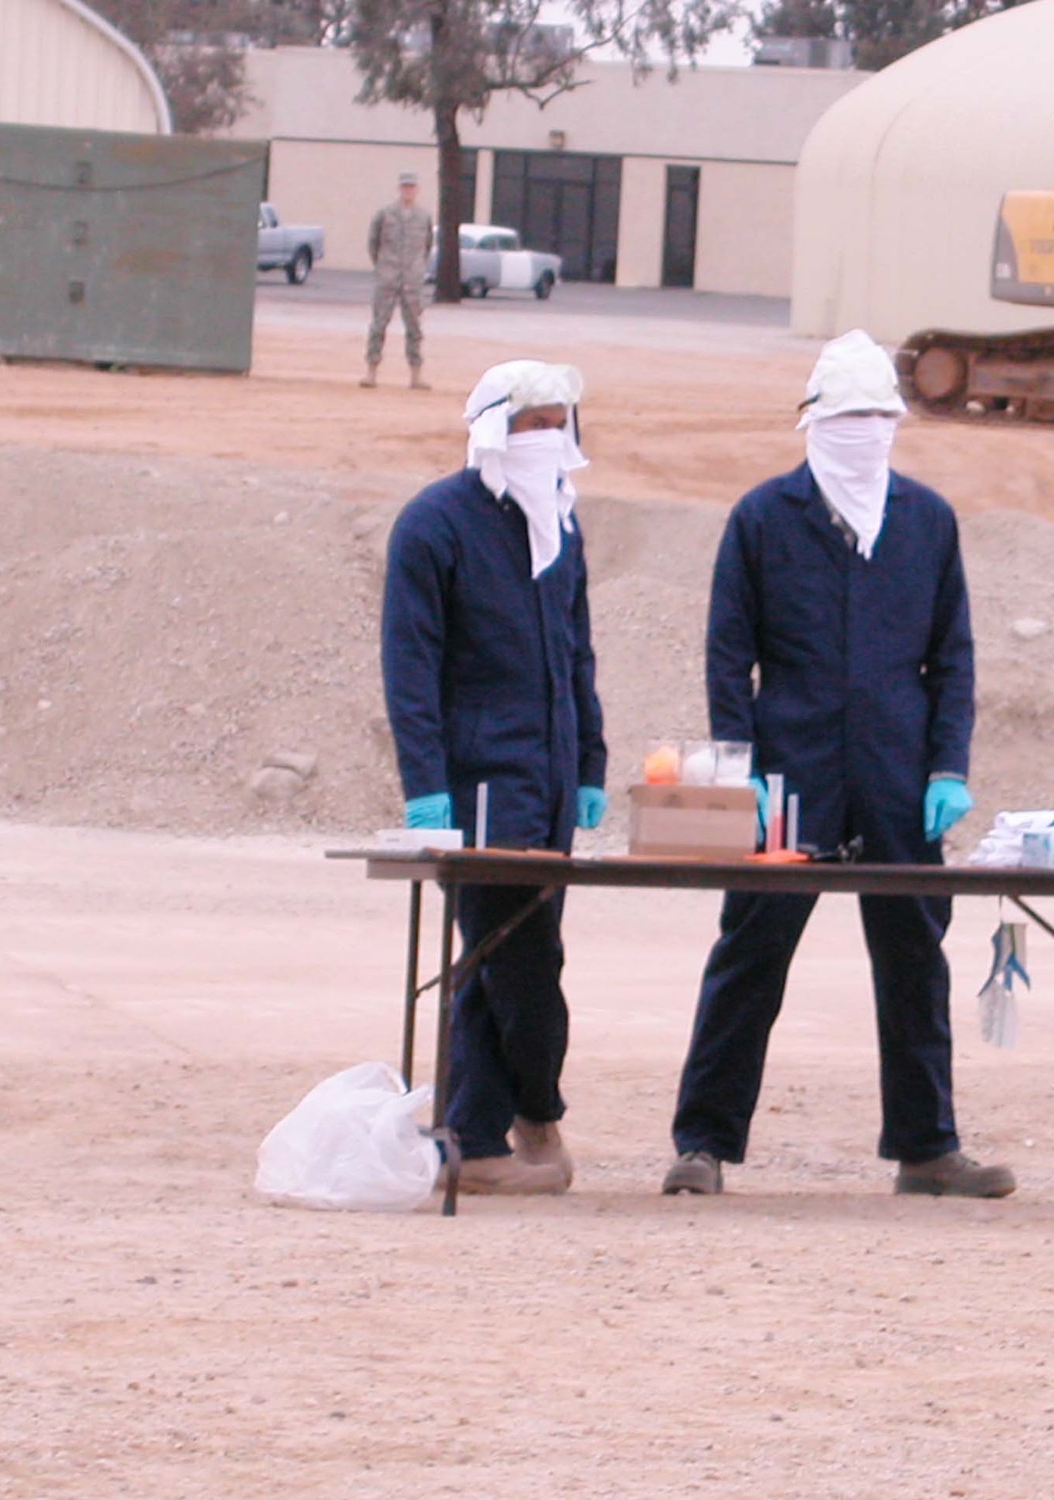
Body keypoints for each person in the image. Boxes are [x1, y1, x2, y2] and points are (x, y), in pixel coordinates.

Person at [660, 330, 1014, 1200]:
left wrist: (945, 766)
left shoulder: (927, 521)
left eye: (878, 416)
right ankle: (703, 1143)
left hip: (898, 773)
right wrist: (737, 762)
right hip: (788, 773)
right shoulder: (762, 519)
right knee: (751, 953)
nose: (864, 431)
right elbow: (726, 653)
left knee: (912, 957)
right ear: (814, 421)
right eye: (848, 416)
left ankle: (927, 1149)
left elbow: (953, 656)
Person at [380, 360, 608, 1194]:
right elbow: (411, 667)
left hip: (548, 785)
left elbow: (576, 657)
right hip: (475, 782)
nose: (549, 437)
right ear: (492, 430)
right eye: (532, 422)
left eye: (561, 421)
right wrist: (425, 785)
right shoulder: (434, 525)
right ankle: (517, 1120)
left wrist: (589, 763)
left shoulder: (560, 527)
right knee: (508, 959)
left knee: (506, 954)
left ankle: (481, 1136)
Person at [363, 171, 433, 391]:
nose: (408, 191)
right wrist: (383, 266)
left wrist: (416, 269)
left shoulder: (424, 217)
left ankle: (416, 375)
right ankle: (371, 371)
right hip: (388, 275)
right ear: (399, 189)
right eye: (405, 187)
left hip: (412, 279)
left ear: (417, 189)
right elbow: (373, 243)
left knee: (414, 326)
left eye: (412, 187)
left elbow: (427, 246)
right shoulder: (385, 214)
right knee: (379, 323)